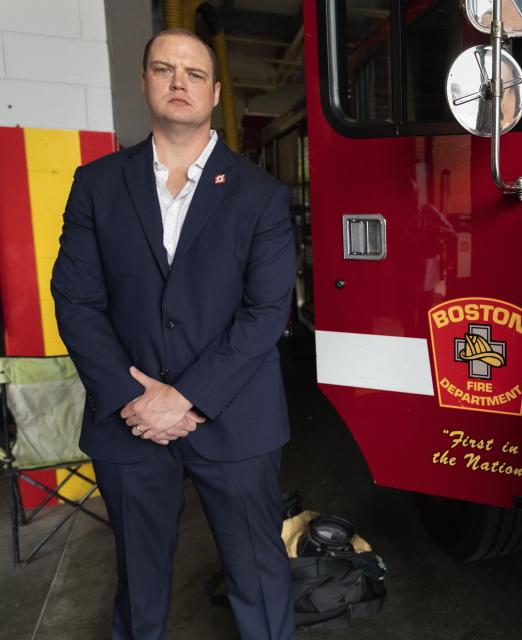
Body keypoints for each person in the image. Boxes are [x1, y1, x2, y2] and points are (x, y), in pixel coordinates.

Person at [51, 28, 295, 640]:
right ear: (145, 84)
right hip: (129, 422)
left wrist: (182, 398)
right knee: (139, 584)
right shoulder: (96, 185)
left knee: (259, 578)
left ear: (214, 93)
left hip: (236, 420)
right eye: (164, 69)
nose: (178, 80)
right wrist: (135, 400)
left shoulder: (260, 195)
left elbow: (267, 310)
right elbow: (76, 300)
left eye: (192, 72)